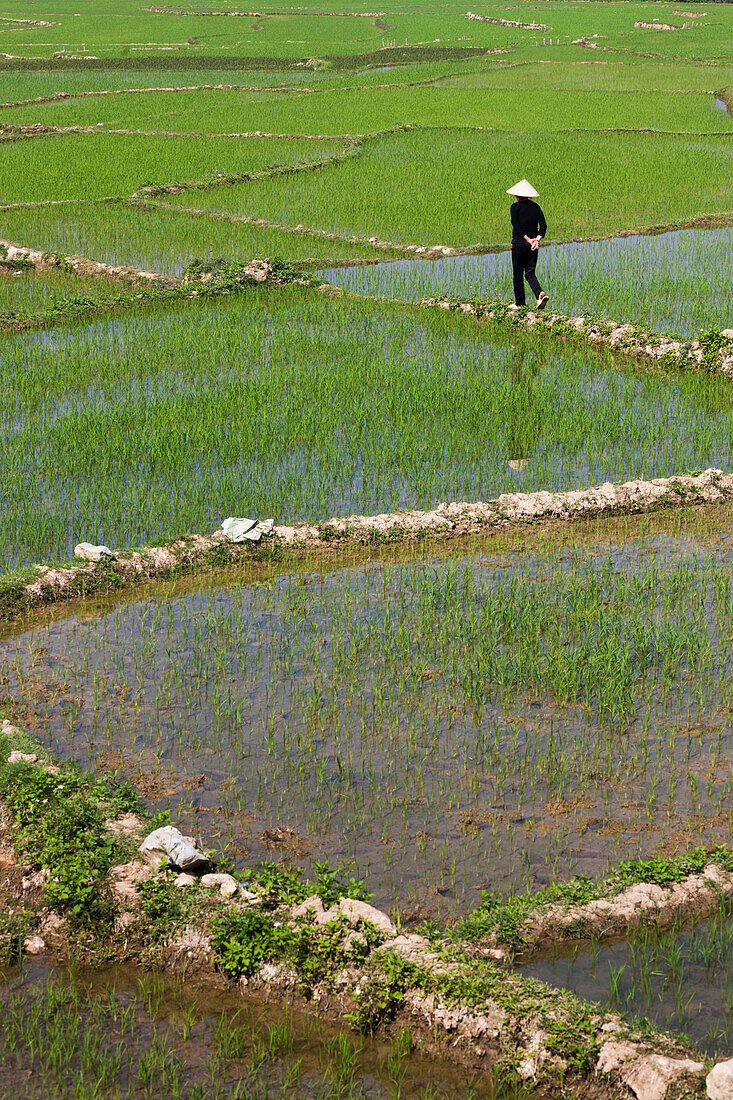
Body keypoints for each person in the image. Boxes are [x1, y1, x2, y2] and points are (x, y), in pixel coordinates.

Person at [507, 179, 549, 310]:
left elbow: (515, 224)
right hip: (533, 246)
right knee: (530, 273)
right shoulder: (536, 207)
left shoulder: (514, 207)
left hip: (520, 244)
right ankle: (539, 294)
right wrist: (536, 239)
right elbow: (543, 226)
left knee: (518, 274)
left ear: (516, 195)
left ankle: (520, 304)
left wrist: (527, 239)